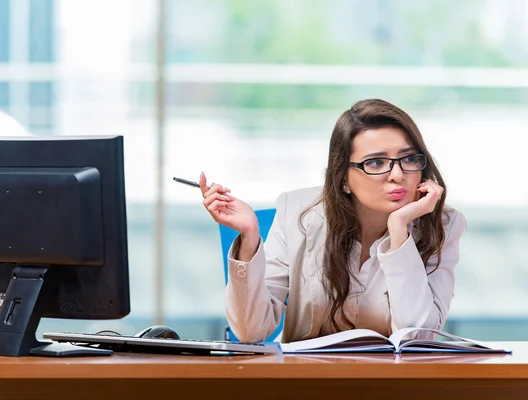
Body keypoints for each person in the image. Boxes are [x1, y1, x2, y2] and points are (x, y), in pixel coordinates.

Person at [199, 98, 466, 343]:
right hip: (306, 383)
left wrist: (399, 232)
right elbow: (250, 331)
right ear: (343, 178)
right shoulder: (296, 212)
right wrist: (249, 238)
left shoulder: (443, 225)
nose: (397, 174)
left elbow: (416, 337)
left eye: (408, 158)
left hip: (393, 387)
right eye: (375, 163)